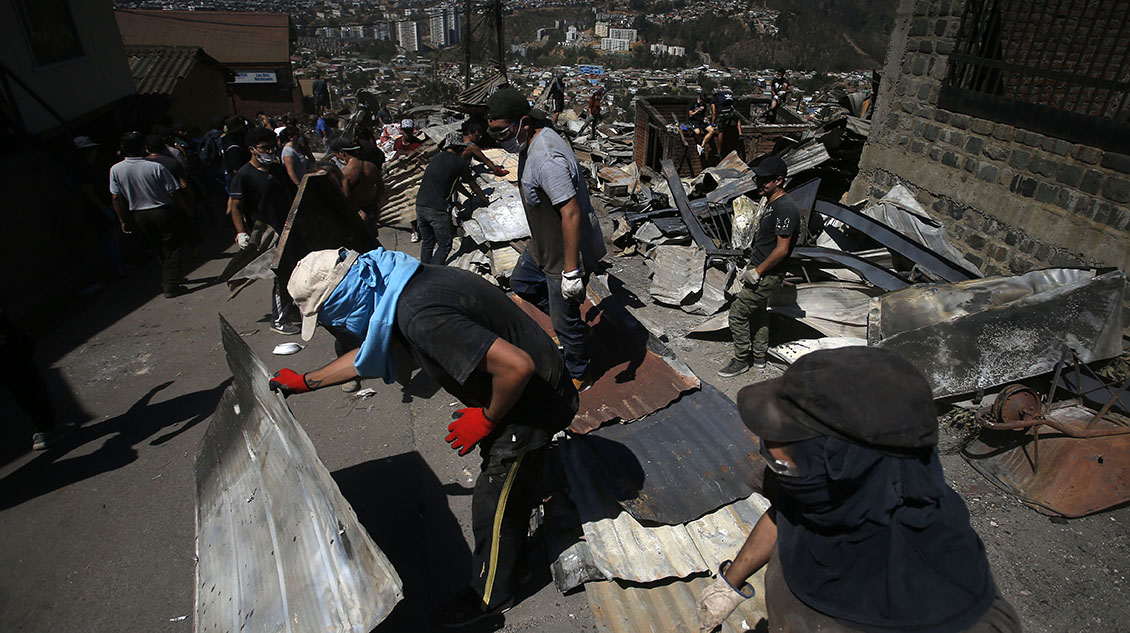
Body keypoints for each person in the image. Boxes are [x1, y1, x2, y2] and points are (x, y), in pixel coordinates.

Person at [267, 247, 579, 628]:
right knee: (512, 484)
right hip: (527, 388)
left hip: (532, 403)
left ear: (345, 299)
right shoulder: (402, 284)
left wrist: (486, 417)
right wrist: (306, 382)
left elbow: (517, 367)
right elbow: (368, 354)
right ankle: (519, 540)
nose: (338, 327)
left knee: (493, 501)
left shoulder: (420, 315)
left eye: (331, 317)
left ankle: (491, 596)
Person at [696, 346, 1022, 633]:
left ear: (844, 466)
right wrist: (730, 583)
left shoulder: (951, 609)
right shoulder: (827, 489)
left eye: (779, 462)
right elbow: (785, 511)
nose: (769, 466)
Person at [486, 87, 606, 389]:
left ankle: (579, 371)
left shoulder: (547, 157)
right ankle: (571, 325)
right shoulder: (531, 139)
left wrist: (570, 271)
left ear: (524, 123)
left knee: (563, 320)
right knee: (522, 283)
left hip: (563, 252)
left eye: (502, 131)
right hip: (542, 242)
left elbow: (571, 213)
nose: (498, 138)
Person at [718, 156, 798, 377]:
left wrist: (758, 271)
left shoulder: (785, 208)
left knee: (737, 313)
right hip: (761, 269)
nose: (758, 183)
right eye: (757, 179)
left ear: (779, 181)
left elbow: (782, 249)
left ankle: (741, 359)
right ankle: (760, 357)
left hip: (767, 275)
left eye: (764, 180)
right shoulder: (772, 204)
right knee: (759, 314)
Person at [228, 127, 299, 334]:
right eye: (265, 148)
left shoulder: (276, 170)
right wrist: (242, 232)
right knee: (280, 275)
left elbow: (289, 196)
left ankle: (291, 310)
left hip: (286, 228)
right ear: (252, 149)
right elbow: (235, 207)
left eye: (272, 147)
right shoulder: (244, 176)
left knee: (293, 272)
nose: (270, 152)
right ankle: (278, 320)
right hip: (267, 234)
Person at [109, 131, 191, 298]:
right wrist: (187, 209)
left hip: (139, 214)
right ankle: (171, 283)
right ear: (142, 148)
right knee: (173, 247)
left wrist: (123, 220)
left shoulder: (116, 170)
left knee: (157, 247)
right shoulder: (154, 167)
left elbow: (116, 198)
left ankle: (171, 276)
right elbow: (174, 192)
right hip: (162, 211)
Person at [415, 132, 489, 265]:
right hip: (437, 209)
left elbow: (456, 184)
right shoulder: (459, 163)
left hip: (420, 205)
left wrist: (468, 196)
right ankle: (434, 273)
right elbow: (473, 184)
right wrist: (484, 199)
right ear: (460, 148)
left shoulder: (436, 158)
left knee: (428, 242)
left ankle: (424, 270)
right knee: (444, 245)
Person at [328, 137, 383, 229]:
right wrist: (376, 201)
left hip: (357, 213)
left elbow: (345, 198)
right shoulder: (372, 166)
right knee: (373, 239)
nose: (337, 158)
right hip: (371, 208)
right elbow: (381, 187)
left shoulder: (345, 173)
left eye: (336, 155)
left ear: (342, 153)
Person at [220, 116, 249, 187]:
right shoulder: (233, 146)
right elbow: (237, 169)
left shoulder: (235, 140)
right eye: (242, 127)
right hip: (239, 181)